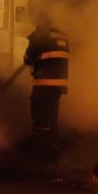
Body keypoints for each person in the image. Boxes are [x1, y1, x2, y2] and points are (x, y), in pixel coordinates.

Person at [23, 11, 69, 159]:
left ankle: (41, 147)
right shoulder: (61, 35)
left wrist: (29, 59)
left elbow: (28, 57)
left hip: (44, 81)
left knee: (39, 113)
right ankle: (53, 143)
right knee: (52, 113)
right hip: (59, 83)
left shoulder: (40, 34)